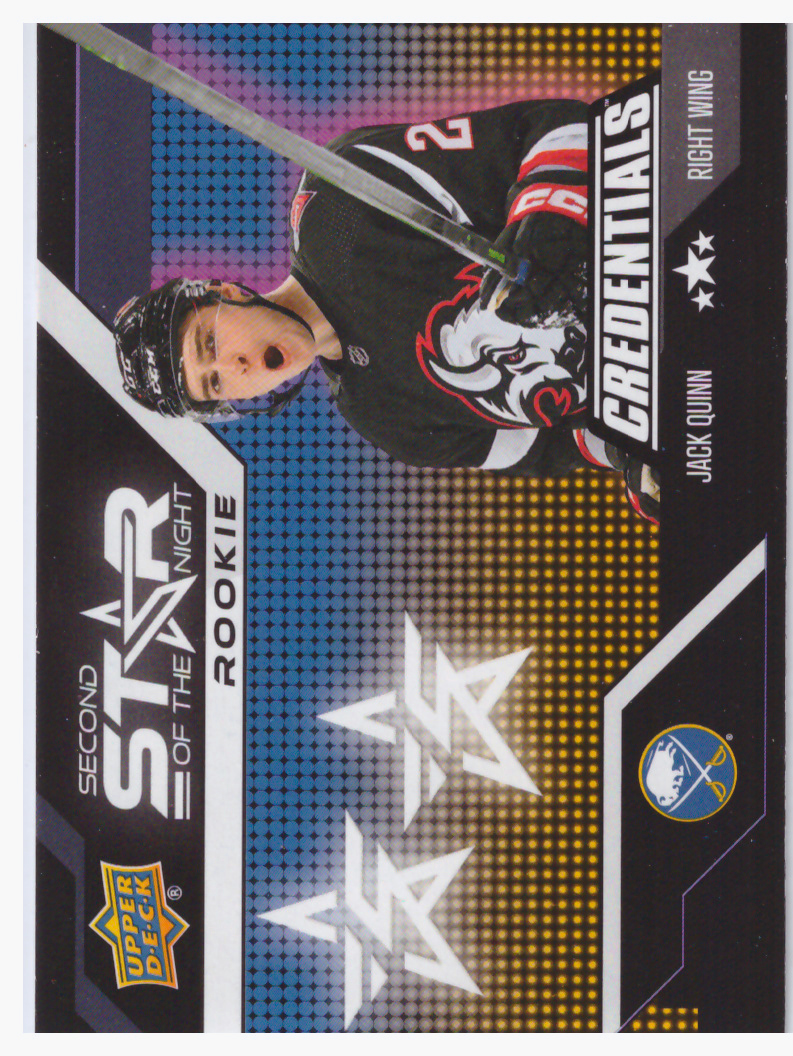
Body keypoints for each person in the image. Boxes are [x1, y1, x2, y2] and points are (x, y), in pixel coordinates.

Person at [113, 100, 659, 523]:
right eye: (215, 384)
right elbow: (559, 442)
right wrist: (630, 453)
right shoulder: (384, 420)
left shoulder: (336, 204)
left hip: (668, 234)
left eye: (209, 344)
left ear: (224, 294)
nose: (236, 368)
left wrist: (554, 216)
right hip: (677, 379)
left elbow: (554, 127)